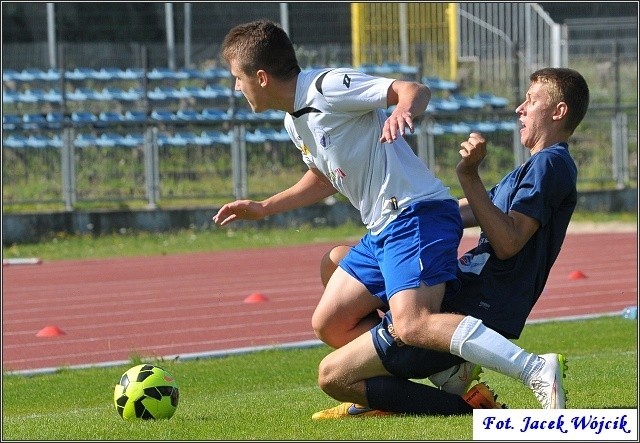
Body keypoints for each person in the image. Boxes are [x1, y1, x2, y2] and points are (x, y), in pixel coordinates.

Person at [213, 19, 500, 415]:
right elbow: (323, 177)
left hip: (412, 213)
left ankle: (492, 372)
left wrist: (401, 108)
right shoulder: (292, 121)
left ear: (260, 77)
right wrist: (264, 207)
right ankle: (426, 376)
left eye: (237, 78)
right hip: (382, 227)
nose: (235, 87)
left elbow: (413, 89)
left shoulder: (325, 87)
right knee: (329, 323)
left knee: (410, 323)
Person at [311, 67, 590, 418]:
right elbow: (461, 213)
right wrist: (406, 214)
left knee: (333, 376)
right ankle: (437, 375)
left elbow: (509, 241)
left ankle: (467, 406)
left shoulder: (552, 164)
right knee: (339, 259)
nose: (520, 108)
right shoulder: (529, 170)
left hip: (475, 303)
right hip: (463, 288)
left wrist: (467, 175)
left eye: (531, 101)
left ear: (558, 112)